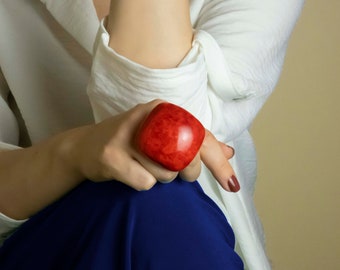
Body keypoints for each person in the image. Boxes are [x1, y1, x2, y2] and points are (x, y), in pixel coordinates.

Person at [0, 0, 304, 269]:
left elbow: (170, 159)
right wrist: (75, 153)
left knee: (159, 198)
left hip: (183, 236)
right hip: (49, 242)